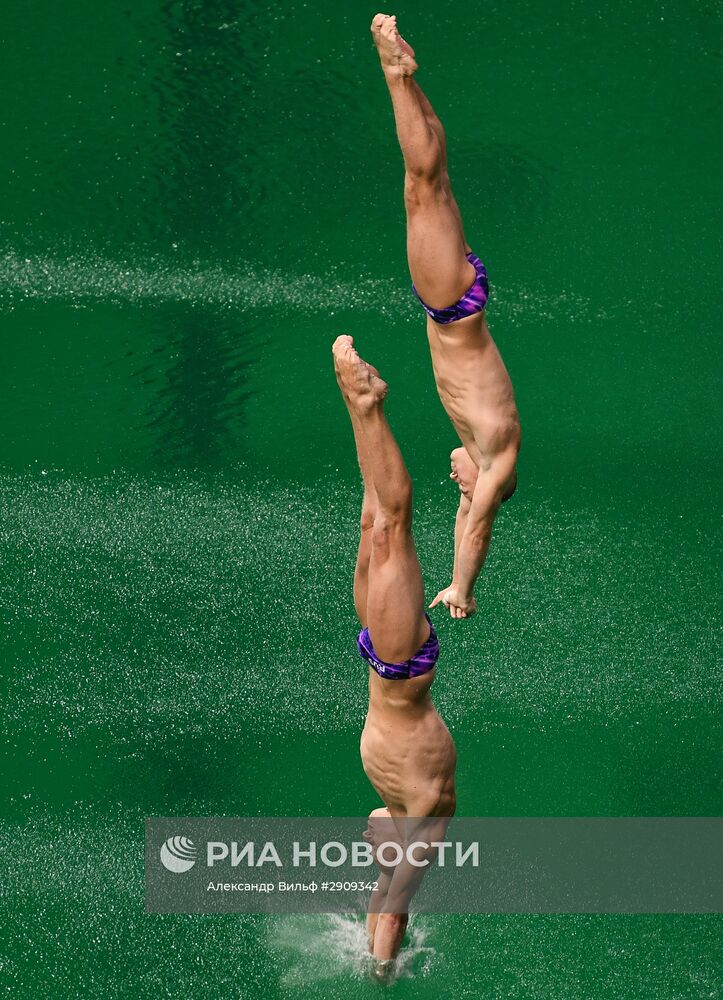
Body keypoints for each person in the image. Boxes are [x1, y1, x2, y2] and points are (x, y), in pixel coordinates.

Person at [371, 13, 522, 620]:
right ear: (489, 485)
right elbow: (479, 525)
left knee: (434, 183)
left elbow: (466, 520)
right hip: (452, 307)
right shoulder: (497, 455)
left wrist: (455, 561)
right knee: (421, 185)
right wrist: (463, 588)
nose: (455, 484)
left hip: (459, 303)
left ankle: (408, 78)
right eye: (467, 489)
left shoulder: (484, 452)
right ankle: (395, 76)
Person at [332, 334, 456, 980]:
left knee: (382, 520)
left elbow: (388, 903)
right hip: (393, 666)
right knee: (384, 521)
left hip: (390, 660)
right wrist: (380, 960)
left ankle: (363, 405)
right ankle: (361, 404)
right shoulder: (417, 822)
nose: (367, 834)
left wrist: (378, 959)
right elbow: (389, 907)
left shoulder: (411, 825)